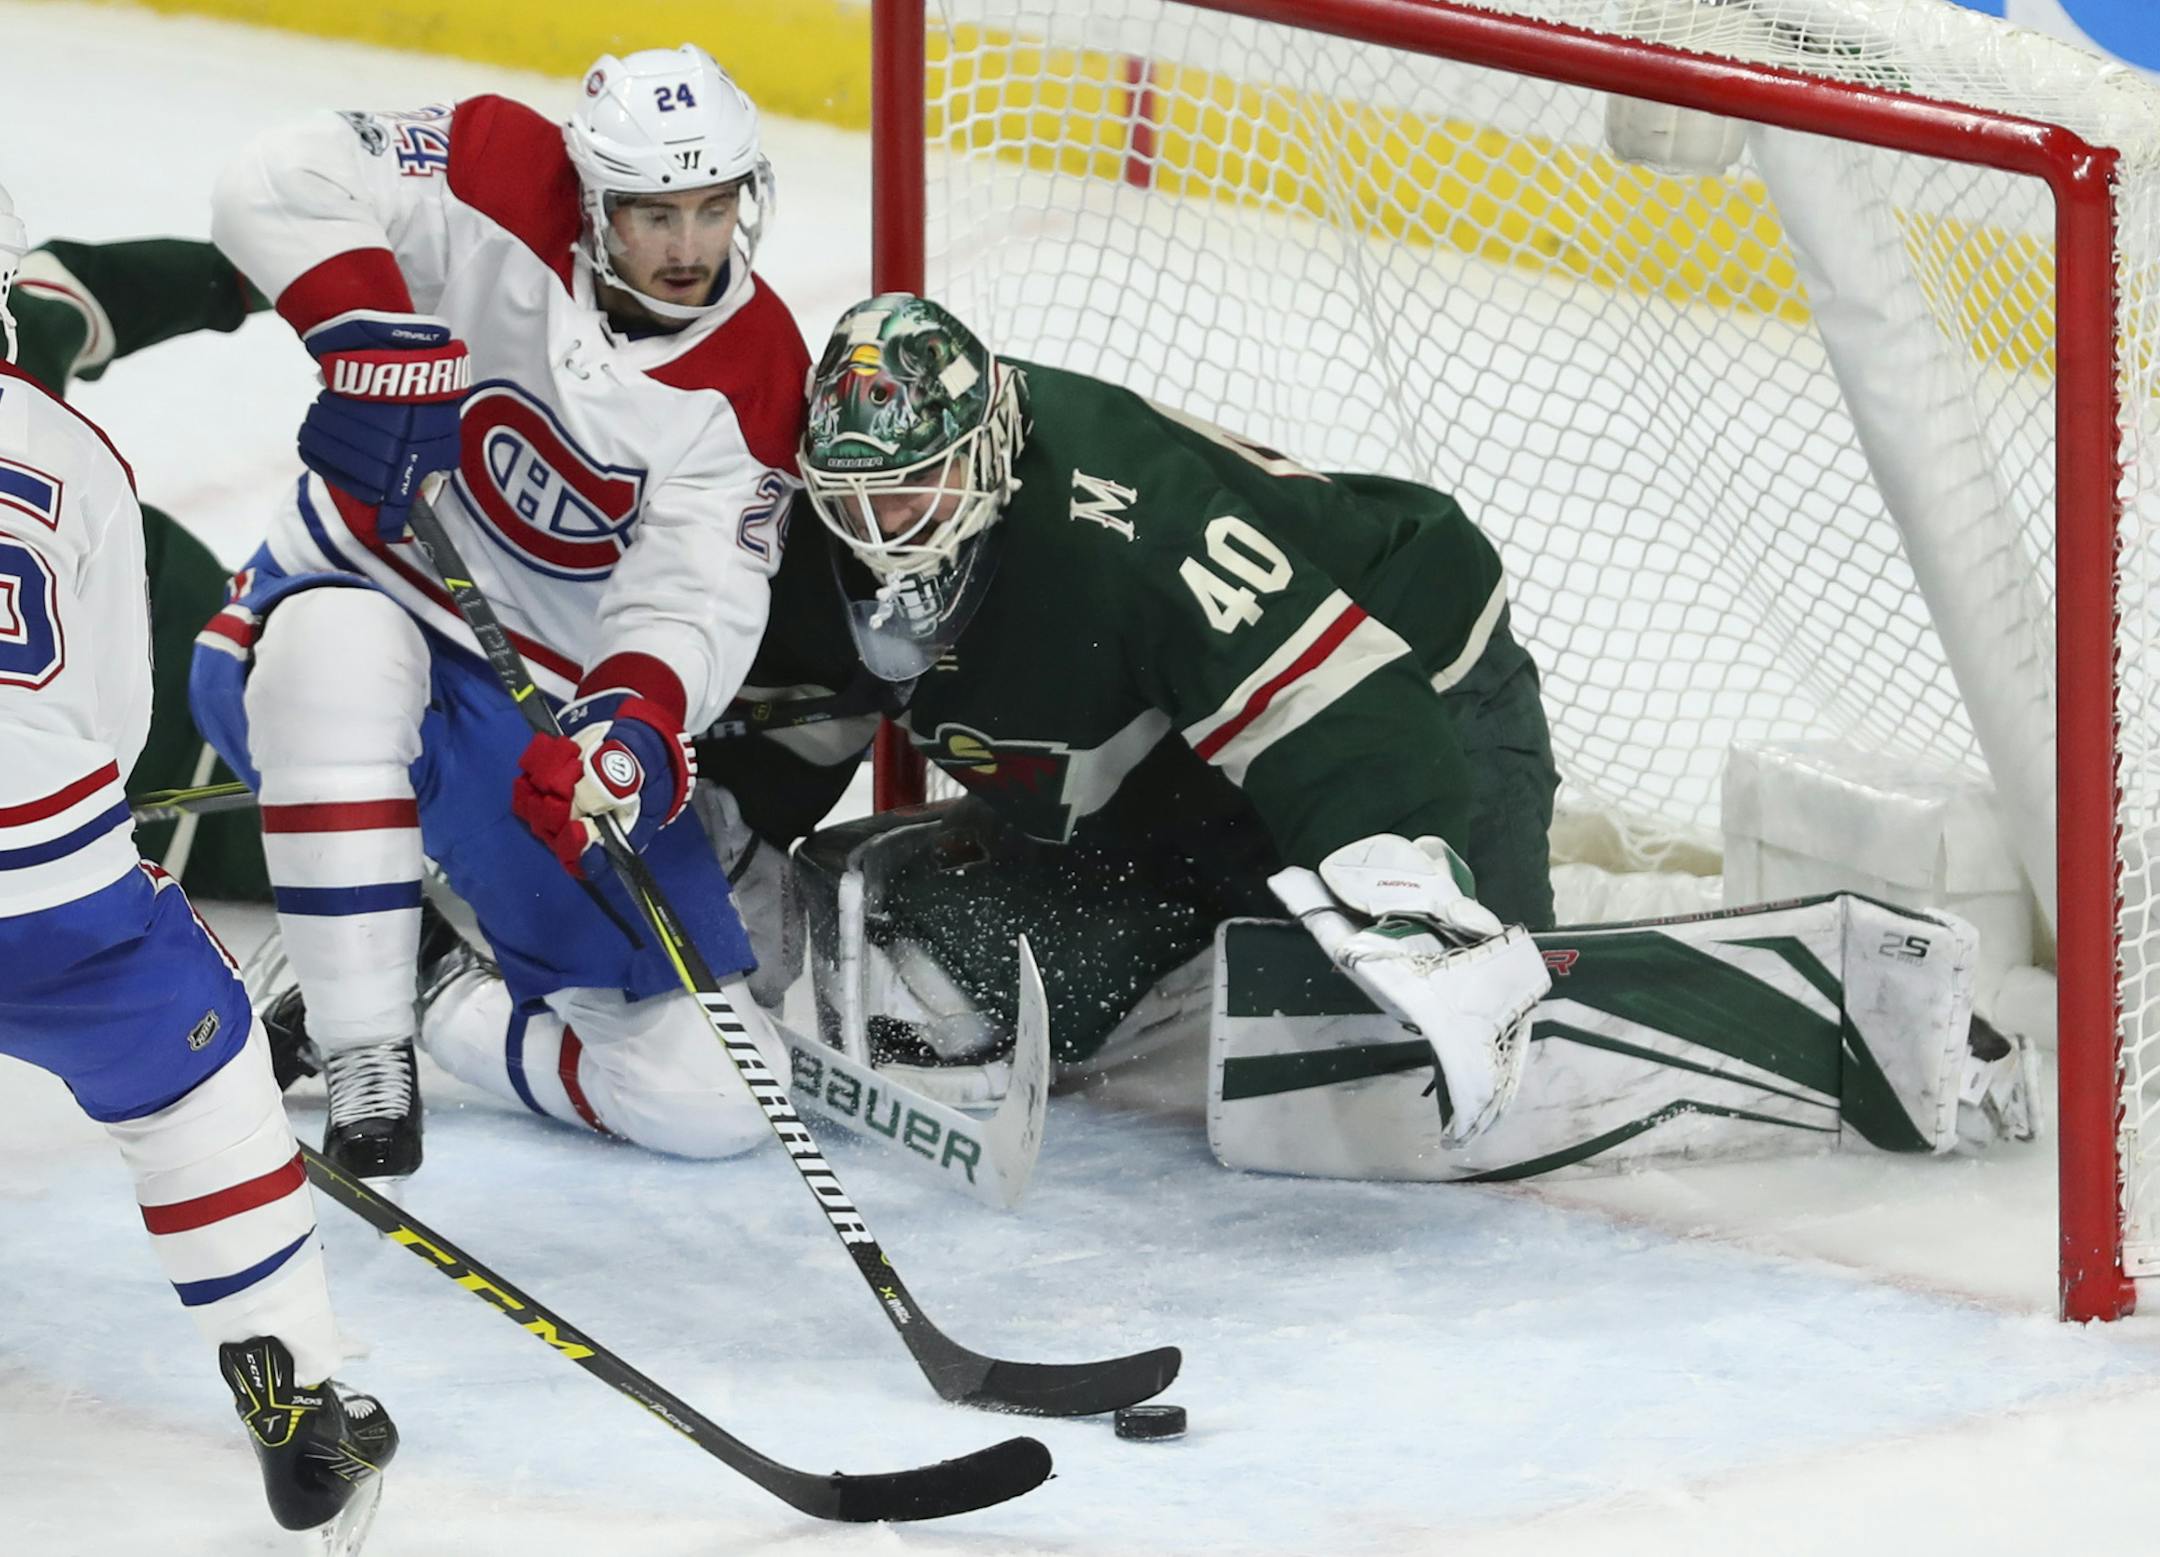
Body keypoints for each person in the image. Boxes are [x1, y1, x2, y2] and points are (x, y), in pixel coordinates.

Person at [776, 293, 2032, 1180]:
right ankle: (1244, 911)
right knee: (941, 994)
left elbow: (1343, 705)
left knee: (1456, 1049)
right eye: (857, 499)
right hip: (1175, 782)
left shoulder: (1120, 520)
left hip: (1411, 683)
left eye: (917, 486)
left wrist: (1400, 880)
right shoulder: (817, 540)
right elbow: (778, 705)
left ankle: (1865, 1033)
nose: (886, 527)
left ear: (993, 449)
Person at [191, 44, 811, 1180]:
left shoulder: (760, 375)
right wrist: (373, 337)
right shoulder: (491, 166)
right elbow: (273, 179)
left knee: (719, 1098)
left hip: (537, 728)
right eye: (652, 214)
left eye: (714, 208)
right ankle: (366, 1053)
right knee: (337, 655)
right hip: (338, 600)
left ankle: (425, 976)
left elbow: (697, 594)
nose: (688, 249)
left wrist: (627, 735)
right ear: (590, 199)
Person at [0, 182, 396, 1551]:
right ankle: (295, 1389)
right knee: (199, 1092)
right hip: (53, 894)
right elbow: (112, 730)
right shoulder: (72, 446)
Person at [9, 233, 273, 899]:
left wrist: (283, 271)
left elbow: (60, 288)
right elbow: (57, 286)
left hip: (198, 706)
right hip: (154, 816)